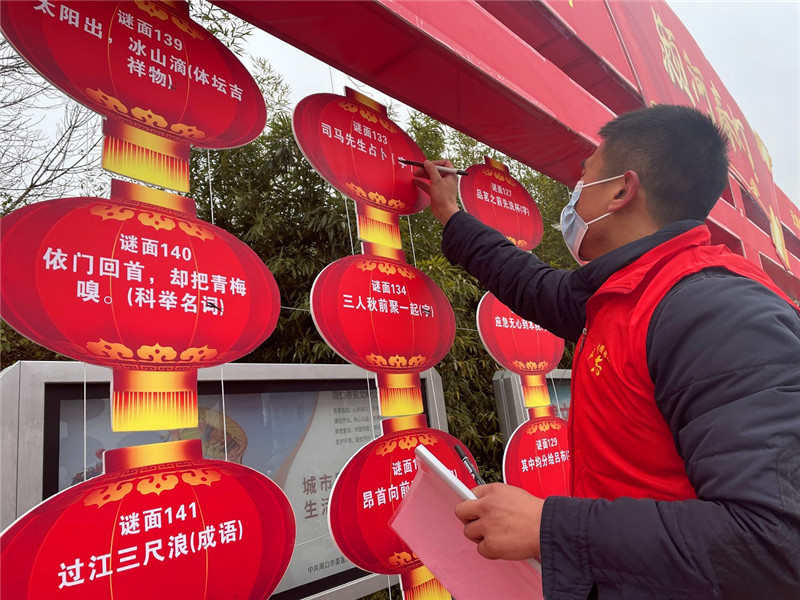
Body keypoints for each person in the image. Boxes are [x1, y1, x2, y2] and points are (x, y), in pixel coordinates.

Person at [412, 104, 800, 600]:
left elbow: (773, 543)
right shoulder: (621, 295)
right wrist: (451, 215)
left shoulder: (718, 311)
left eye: (584, 177)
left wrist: (550, 526)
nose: (574, 195)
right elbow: (531, 284)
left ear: (621, 190)